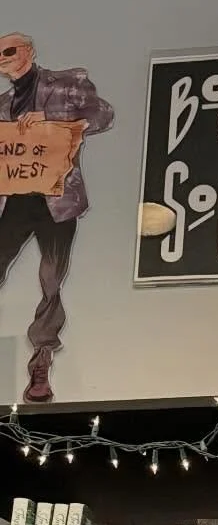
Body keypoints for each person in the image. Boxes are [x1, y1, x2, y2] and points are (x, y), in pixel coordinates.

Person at [0, 32, 113, 403]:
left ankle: (42, 355)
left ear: (28, 52)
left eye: (9, 50)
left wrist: (59, 124)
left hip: (57, 201)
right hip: (15, 201)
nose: (2, 58)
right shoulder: (2, 105)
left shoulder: (66, 84)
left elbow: (103, 114)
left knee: (51, 277)